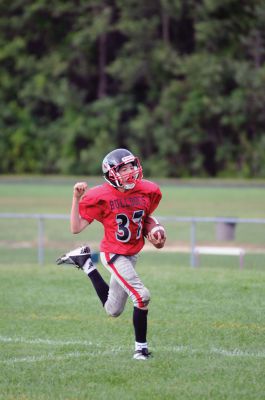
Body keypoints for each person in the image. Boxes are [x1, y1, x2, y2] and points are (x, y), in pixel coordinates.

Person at [56, 148, 166, 360]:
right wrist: (76, 198)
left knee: (113, 310)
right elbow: (76, 228)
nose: (130, 171)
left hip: (131, 254)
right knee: (142, 296)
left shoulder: (148, 190)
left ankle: (85, 262)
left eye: (132, 166)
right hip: (113, 253)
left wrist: (154, 232)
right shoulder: (100, 196)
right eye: (123, 168)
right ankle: (141, 350)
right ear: (111, 174)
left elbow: (143, 219)